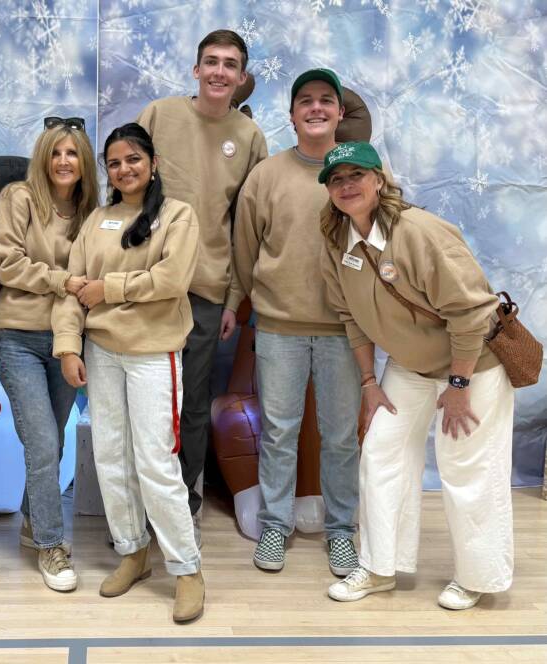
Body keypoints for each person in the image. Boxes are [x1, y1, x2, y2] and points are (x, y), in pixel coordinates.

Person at [318, 141, 514, 611]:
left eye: (356, 176)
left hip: (473, 364)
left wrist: (460, 387)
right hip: (411, 365)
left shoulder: (419, 232)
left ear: (378, 181)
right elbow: (350, 316)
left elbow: (470, 313)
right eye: (336, 179)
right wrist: (368, 383)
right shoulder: (336, 241)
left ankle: (477, 576)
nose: (347, 186)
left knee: (465, 466)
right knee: (381, 453)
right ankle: (381, 567)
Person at [53, 123, 203, 623]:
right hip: (101, 352)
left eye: (134, 159)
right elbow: (73, 291)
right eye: (114, 163)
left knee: (156, 463)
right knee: (111, 456)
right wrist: (69, 345)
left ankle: (186, 569)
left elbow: (172, 279)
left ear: (153, 163)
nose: (124, 170)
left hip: (153, 353)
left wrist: (109, 290)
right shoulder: (97, 220)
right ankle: (133, 552)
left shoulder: (177, 215)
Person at [137, 30, 268, 534]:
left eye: (229, 65)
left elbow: (249, 225)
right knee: (146, 404)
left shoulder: (251, 138)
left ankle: (182, 509)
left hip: (208, 290)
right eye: (210, 62)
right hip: (146, 285)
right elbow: (124, 186)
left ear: (240, 77)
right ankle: (140, 507)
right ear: (196, 70)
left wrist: (236, 298)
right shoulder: (159, 115)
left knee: (191, 407)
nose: (218, 72)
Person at [231, 69, 360, 575]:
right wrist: (263, 298)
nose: (316, 108)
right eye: (305, 100)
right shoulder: (267, 175)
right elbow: (245, 250)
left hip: (345, 331)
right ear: (291, 114)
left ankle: (342, 531)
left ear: (339, 113)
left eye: (326, 100)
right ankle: (275, 526)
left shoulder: (360, 173)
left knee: (341, 436)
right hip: (279, 327)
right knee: (279, 433)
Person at [0, 116, 98, 592]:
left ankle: (34, 521)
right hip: (17, 336)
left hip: (67, 340)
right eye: (55, 152)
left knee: (52, 441)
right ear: (43, 157)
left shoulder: (93, 211)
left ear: (84, 162)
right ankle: (52, 546)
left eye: (72, 153)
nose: (63, 161)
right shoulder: (17, 198)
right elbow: (8, 263)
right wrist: (62, 281)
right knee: (40, 442)